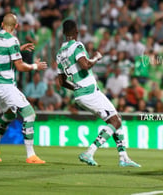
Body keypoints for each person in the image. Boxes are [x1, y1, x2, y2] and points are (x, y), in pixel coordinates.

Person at [56, 19, 140, 167]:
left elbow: (61, 82)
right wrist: (96, 57)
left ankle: (123, 157)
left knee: (115, 119)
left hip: (80, 94)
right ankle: (89, 152)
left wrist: (76, 87)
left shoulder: (59, 54)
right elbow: (85, 65)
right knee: (115, 121)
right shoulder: (77, 45)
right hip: (89, 92)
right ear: (76, 32)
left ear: (63, 33)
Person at [0, 13, 47, 164]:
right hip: (6, 84)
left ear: (1, 25)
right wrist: (35, 66)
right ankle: (31, 155)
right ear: (17, 26)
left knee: (9, 115)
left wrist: (19, 49)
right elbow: (19, 66)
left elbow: (4, 53)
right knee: (29, 113)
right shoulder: (12, 40)